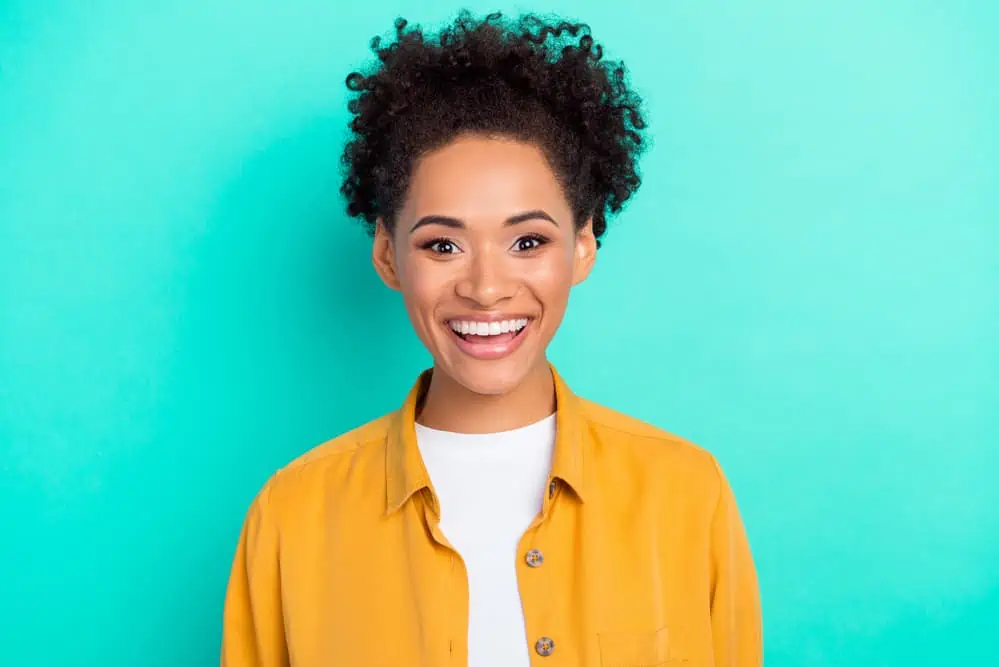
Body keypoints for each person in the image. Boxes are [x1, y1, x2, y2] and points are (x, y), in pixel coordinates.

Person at [221, 11, 762, 667]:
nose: (485, 287)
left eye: (527, 241)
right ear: (389, 257)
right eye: (441, 244)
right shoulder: (293, 515)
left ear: (583, 244)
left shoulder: (684, 491)